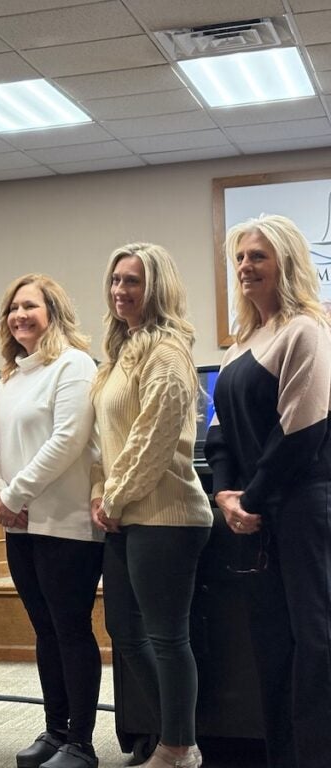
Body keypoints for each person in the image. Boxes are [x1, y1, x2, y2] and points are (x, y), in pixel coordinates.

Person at [205, 215, 331, 768]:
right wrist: (225, 494)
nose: (245, 266)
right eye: (240, 257)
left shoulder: (306, 330)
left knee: (316, 645)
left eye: (258, 255)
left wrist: (248, 501)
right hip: (255, 515)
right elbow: (218, 432)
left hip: (304, 510)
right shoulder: (242, 342)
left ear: (287, 262)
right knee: (273, 647)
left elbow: (301, 432)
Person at [91, 244, 212, 768]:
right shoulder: (120, 352)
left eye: (133, 281)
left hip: (167, 517)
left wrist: (114, 497)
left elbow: (152, 441)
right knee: (123, 630)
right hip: (124, 515)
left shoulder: (168, 352)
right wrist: (101, 493)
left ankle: (179, 746)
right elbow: (107, 440)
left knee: (166, 637)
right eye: (116, 280)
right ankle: (173, 736)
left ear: (157, 288)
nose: (120, 290)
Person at [0, 274, 103, 768]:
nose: (19, 316)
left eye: (29, 306)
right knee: (44, 629)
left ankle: (82, 742)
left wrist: (16, 493)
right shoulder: (10, 376)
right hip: (19, 525)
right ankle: (55, 731)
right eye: (13, 308)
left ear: (53, 311)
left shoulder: (74, 365)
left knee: (70, 629)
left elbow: (68, 439)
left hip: (65, 524)